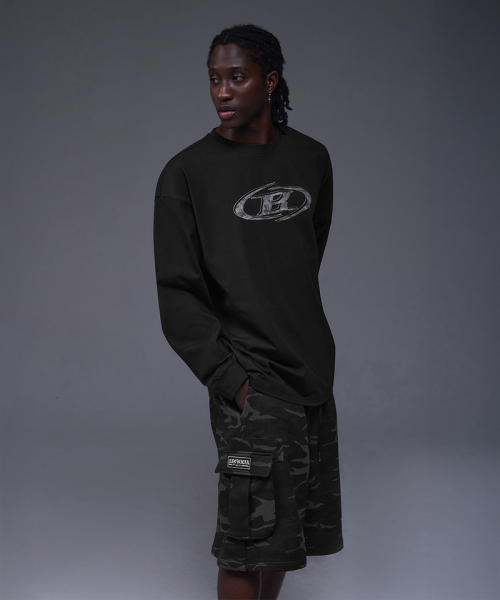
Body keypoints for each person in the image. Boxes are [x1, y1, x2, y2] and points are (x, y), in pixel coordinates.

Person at [153, 23, 343, 600]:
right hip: (252, 385)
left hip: (313, 379)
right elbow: (178, 294)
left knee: (285, 537)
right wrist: (232, 382)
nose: (222, 91)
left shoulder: (311, 159)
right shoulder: (186, 173)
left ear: (271, 80)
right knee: (244, 539)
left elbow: (306, 257)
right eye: (214, 79)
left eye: (237, 77)